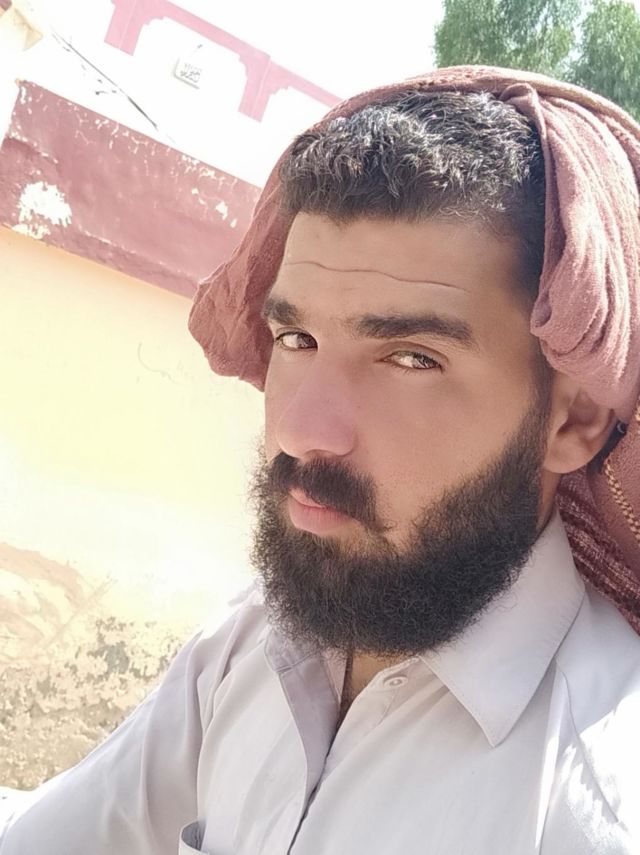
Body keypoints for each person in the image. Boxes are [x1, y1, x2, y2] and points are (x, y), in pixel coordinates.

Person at [2, 66, 640, 855]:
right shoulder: (254, 644)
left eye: (411, 357)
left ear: (574, 418)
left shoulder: (593, 807)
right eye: (296, 338)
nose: (303, 431)